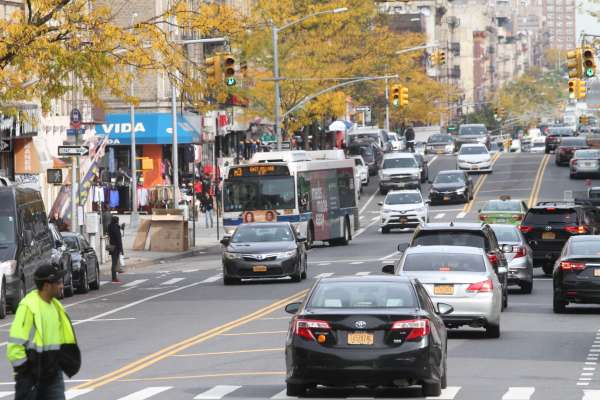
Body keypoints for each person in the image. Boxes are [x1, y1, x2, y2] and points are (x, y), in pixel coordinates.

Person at [7, 264, 81, 400]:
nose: (61, 286)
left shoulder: (56, 307)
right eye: (57, 282)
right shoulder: (29, 307)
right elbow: (15, 346)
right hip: (32, 378)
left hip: (53, 377)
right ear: (47, 285)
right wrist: (25, 373)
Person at [107, 216, 124, 282]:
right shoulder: (115, 228)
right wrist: (121, 249)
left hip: (111, 246)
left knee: (114, 262)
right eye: (118, 220)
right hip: (116, 247)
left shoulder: (110, 226)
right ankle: (114, 278)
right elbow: (118, 239)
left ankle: (114, 277)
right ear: (116, 221)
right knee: (114, 263)